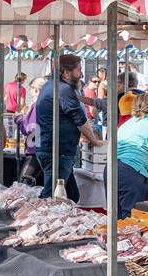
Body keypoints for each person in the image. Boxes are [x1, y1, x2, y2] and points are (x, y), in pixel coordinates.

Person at [37, 54, 102, 200]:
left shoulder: (51, 85)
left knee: (72, 196)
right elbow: (79, 119)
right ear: (66, 72)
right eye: (78, 70)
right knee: (51, 197)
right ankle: (37, 221)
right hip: (58, 151)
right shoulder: (63, 89)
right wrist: (94, 140)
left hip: (53, 148)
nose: (82, 74)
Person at [109, 92, 148, 218]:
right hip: (130, 172)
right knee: (132, 219)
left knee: (115, 217)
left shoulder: (125, 125)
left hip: (110, 169)